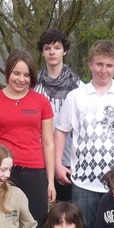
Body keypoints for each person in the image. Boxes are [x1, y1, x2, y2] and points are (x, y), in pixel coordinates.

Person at [54, 39, 114, 228]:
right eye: (99, 64)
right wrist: (58, 164)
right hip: (83, 181)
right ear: (90, 64)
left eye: (109, 66)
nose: (103, 70)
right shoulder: (75, 97)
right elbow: (60, 132)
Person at [0, 49, 55, 228]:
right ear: (8, 72)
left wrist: (50, 181)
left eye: (27, 75)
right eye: (16, 73)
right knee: (2, 223)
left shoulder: (42, 102)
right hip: (2, 171)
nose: (21, 79)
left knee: (35, 223)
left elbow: (48, 143)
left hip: (35, 171)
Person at [34, 29, 83, 202]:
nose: (52, 52)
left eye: (57, 47)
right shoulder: (32, 86)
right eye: (47, 48)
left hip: (69, 160)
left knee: (67, 214)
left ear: (65, 51)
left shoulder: (79, 88)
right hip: (38, 159)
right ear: (42, 52)